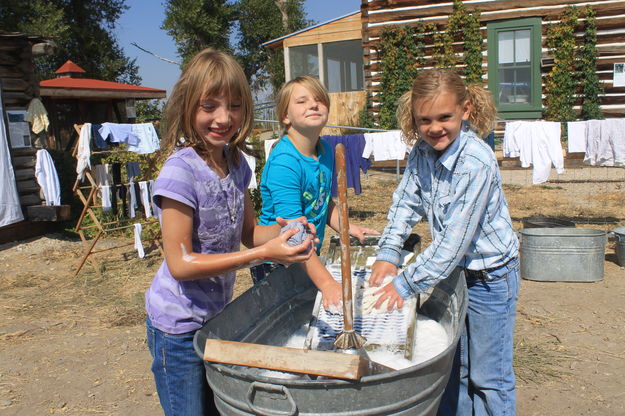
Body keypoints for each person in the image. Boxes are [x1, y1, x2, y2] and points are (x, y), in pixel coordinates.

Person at [144, 48, 315, 416]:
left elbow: (251, 233)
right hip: (176, 328)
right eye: (209, 106)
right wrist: (262, 256)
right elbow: (181, 264)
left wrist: (287, 231)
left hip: (216, 318)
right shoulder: (179, 173)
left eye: (235, 106)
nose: (224, 118)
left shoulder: (235, 162)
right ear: (188, 106)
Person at [369, 69, 520, 416]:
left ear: (465, 110)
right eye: (425, 120)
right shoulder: (422, 152)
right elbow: (406, 202)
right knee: (457, 367)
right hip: (455, 275)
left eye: (444, 118)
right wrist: (389, 253)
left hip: (491, 277)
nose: (434, 128)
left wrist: (404, 284)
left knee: (489, 376)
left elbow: (452, 242)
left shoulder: (475, 162)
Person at [257, 75, 378, 308]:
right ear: (285, 116)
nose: (313, 104)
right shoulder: (285, 161)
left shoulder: (324, 150)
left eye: (319, 100)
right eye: (301, 101)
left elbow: (322, 200)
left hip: (308, 252)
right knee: (287, 321)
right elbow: (293, 232)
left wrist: (347, 226)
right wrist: (327, 283)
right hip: (279, 260)